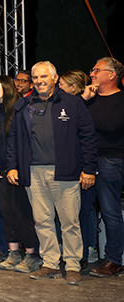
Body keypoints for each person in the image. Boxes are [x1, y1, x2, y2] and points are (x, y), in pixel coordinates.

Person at [6, 61, 97, 286]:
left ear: (55, 78)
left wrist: (88, 169)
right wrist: (12, 166)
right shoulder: (23, 105)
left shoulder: (73, 103)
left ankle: (73, 265)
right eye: (36, 78)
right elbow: (14, 139)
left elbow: (88, 137)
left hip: (65, 172)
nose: (39, 81)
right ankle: (50, 263)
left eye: (43, 77)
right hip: (33, 172)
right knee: (42, 220)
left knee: (70, 222)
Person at [0, 75, 41, 272]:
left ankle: (31, 254)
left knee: (22, 211)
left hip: (19, 170)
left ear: (6, 88)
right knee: (6, 211)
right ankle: (13, 252)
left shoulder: (20, 110)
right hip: (1, 169)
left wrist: (16, 167)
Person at [85, 57, 124, 278]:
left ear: (111, 75)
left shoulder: (120, 100)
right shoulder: (89, 99)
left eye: (96, 70)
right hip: (87, 161)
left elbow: (110, 125)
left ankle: (115, 260)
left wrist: (84, 113)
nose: (91, 74)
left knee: (110, 212)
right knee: (86, 210)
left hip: (111, 161)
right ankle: (87, 253)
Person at [59, 69, 97, 269]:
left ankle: (83, 253)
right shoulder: (68, 105)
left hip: (82, 169)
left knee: (81, 214)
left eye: (63, 85)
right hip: (69, 170)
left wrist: (88, 169)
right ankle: (70, 254)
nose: (59, 88)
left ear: (73, 88)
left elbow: (87, 141)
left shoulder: (80, 106)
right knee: (69, 215)